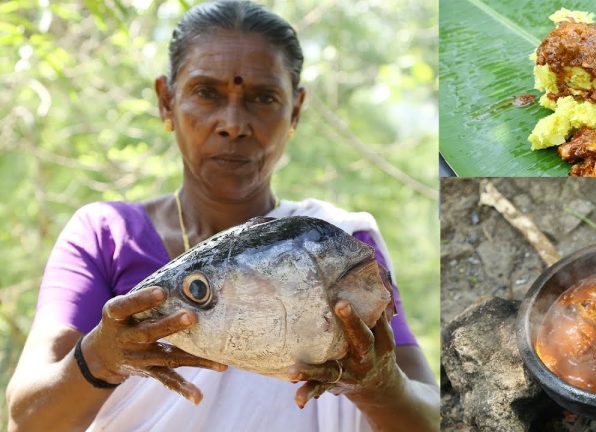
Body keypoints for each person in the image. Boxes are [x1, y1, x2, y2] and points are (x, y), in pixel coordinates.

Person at [5, 2, 439, 430]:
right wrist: (102, 357)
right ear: (166, 101)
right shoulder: (107, 235)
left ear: (296, 110)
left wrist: (379, 385)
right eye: (206, 93)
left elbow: (431, 416)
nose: (233, 123)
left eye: (263, 97)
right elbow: (28, 419)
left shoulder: (338, 247)